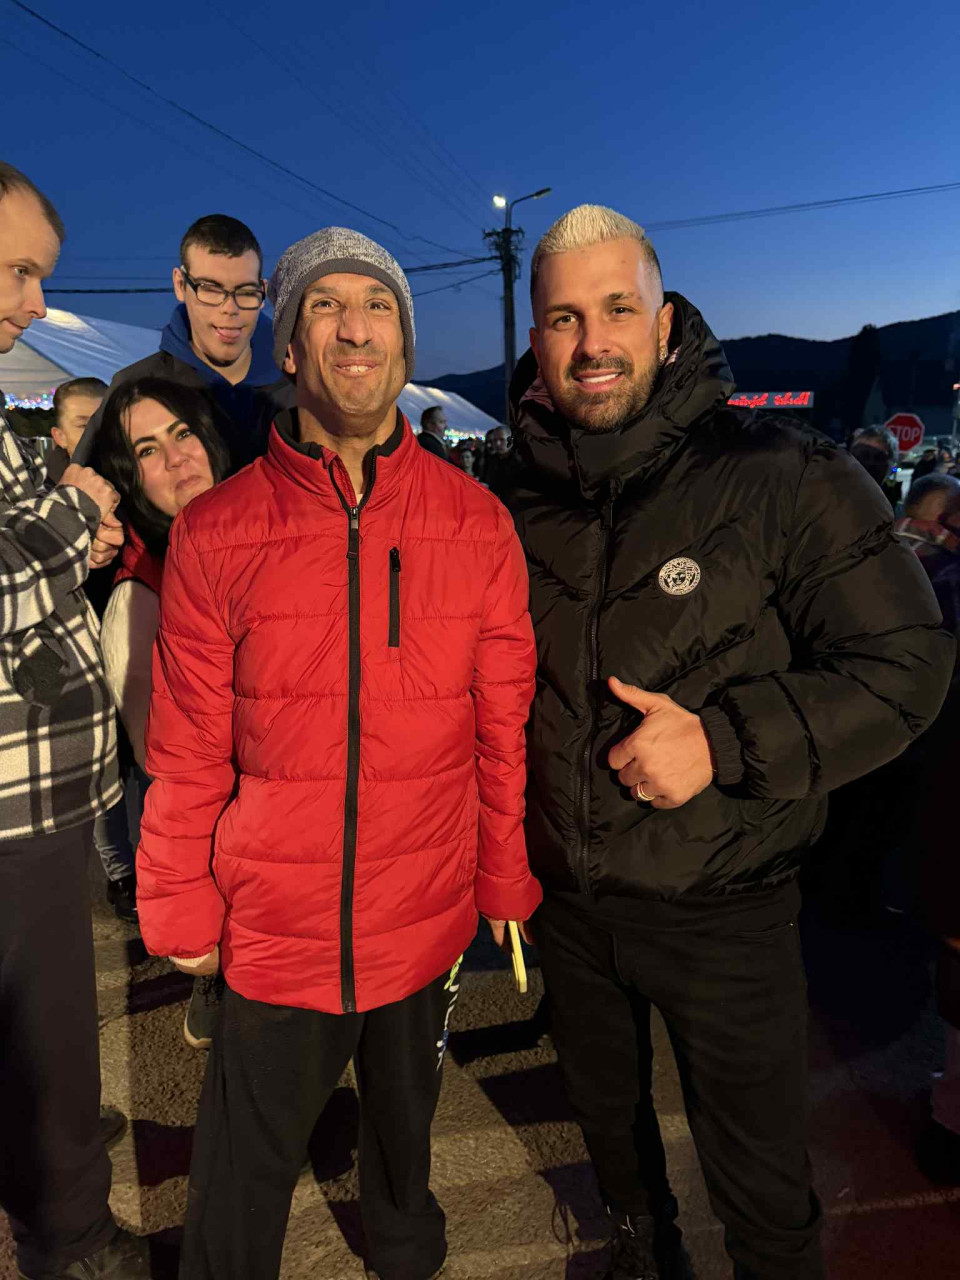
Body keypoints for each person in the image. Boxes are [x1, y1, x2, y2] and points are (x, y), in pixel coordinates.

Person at [504, 205, 953, 1280]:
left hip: (727, 905)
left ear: (665, 324)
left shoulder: (785, 473)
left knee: (759, 1186)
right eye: (564, 318)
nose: (592, 342)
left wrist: (721, 740)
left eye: (617, 309)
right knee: (612, 1147)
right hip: (566, 902)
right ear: (536, 340)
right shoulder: (508, 496)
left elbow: (907, 663)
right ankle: (636, 1249)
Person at [135, 227, 542, 1280]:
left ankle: (408, 1250)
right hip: (275, 921)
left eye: (378, 306)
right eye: (324, 304)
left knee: (406, 1136)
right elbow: (188, 744)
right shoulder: (218, 531)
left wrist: (503, 871)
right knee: (242, 1170)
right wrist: (178, 901)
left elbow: (501, 726)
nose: (355, 327)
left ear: (404, 345)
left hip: (426, 907)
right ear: (287, 345)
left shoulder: (478, 524)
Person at [0, 162, 148, 1280]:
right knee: (47, 1025)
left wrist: (67, 544)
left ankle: (48, 1167)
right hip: (12, 805)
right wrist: (70, 518)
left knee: (42, 1028)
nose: (36, 301)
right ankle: (71, 1238)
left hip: (39, 788)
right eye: (16, 270)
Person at [97, 376, 231, 1051]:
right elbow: (164, 771)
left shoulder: (264, 537)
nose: (177, 458)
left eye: (181, 434)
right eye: (147, 450)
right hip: (232, 862)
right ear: (130, 478)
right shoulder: (139, 597)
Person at [74, 214, 293, 472]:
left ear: (263, 291)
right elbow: (82, 487)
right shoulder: (134, 388)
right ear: (180, 284)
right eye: (211, 289)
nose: (229, 308)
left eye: (246, 292)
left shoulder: (303, 385)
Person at [44, 375, 141, 922]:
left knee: (143, 763)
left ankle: (148, 871)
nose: (97, 433)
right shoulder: (42, 502)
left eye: (104, 421)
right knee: (104, 772)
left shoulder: (130, 482)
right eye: (84, 424)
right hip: (77, 661)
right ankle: (121, 875)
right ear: (59, 436)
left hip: (132, 644)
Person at [47, 377, 108, 483]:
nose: (98, 432)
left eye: (106, 422)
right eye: (83, 426)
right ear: (60, 437)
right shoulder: (46, 490)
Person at [850, 424, 901, 510]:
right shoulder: (829, 493)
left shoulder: (894, 509)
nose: (869, 462)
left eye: (878, 458)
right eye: (863, 454)